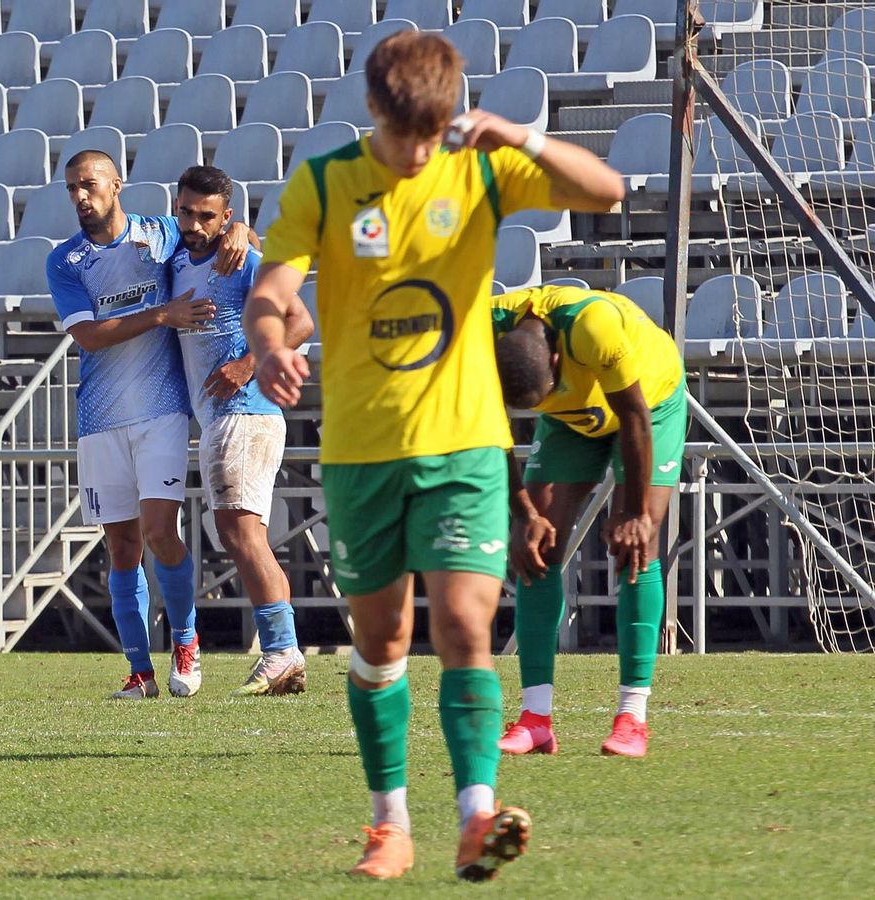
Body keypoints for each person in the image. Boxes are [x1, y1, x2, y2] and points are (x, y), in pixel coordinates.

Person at [241, 31, 624, 881]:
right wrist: (269, 344)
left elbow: (608, 188)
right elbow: (270, 290)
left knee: (461, 626)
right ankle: (389, 825)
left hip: (465, 447)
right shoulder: (329, 182)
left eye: (431, 132)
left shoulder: (479, 166)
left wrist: (519, 135)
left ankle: (475, 818)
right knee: (381, 641)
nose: (418, 152)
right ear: (376, 110)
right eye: (404, 133)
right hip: (362, 453)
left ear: (448, 114)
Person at [45, 149, 251, 700]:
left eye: (89, 184)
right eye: (71, 189)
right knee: (121, 548)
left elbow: (221, 234)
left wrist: (243, 231)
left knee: (161, 534)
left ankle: (186, 644)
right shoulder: (64, 261)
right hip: (99, 418)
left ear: (117, 183)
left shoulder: (162, 233)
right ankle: (140, 672)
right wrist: (161, 314)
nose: (80, 197)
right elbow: (87, 336)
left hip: (161, 411)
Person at [491, 284, 687, 759]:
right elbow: (489, 434)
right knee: (536, 548)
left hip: (648, 404)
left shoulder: (593, 326)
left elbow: (634, 416)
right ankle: (536, 719)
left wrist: (638, 513)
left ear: (555, 362)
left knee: (637, 544)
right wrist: (523, 516)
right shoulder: (481, 335)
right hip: (570, 421)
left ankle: (632, 718)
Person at [168, 165, 315, 697]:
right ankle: (285, 652)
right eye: (186, 211)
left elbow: (299, 322)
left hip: (246, 410)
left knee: (240, 531)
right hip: (218, 416)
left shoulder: (245, 260)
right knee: (239, 531)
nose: (194, 223)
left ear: (225, 217)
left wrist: (248, 363)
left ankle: (280, 650)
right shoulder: (177, 259)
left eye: (208, 216)